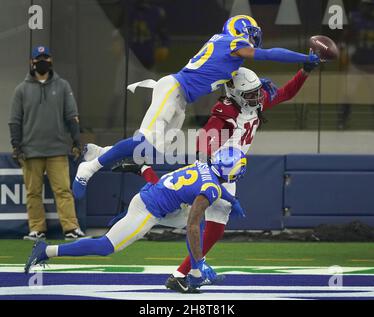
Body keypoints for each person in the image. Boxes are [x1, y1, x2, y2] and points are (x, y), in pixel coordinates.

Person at [88, 61, 318, 292]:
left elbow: (286, 93)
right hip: (216, 170)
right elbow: (204, 137)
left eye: (256, 92)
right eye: (250, 93)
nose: (258, 97)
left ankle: (185, 271)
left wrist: (305, 71)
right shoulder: (227, 111)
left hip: (228, 173)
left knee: (205, 224)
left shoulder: (252, 104)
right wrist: (209, 165)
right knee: (185, 218)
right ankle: (187, 270)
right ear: (235, 94)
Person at [72, 15, 322, 199]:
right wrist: (303, 58)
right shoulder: (231, 43)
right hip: (173, 89)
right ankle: (89, 167)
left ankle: (100, 152)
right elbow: (267, 55)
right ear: (245, 31)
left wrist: (292, 75)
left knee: (149, 150)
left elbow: (263, 86)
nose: (254, 43)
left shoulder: (230, 55)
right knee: (143, 143)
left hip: (181, 100)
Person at [25, 147, 247, 292]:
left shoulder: (203, 166)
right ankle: (45, 250)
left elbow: (212, 186)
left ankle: (186, 277)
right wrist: (199, 261)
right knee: (105, 247)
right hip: (148, 210)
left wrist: (231, 199)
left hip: (156, 198)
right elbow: (193, 225)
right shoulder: (211, 189)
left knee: (187, 221)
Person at [8, 46, 86, 240]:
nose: (42, 61)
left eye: (45, 57)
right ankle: (37, 229)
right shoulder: (21, 90)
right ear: (31, 62)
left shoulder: (62, 86)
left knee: (63, 190)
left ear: (51, 60)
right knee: (33, 192)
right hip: (30, 150)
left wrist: (76, 141)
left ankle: (71, 228)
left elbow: (71, 117)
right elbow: (15, 121)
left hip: (57, 149)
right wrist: (16, 146)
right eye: (38, 58)